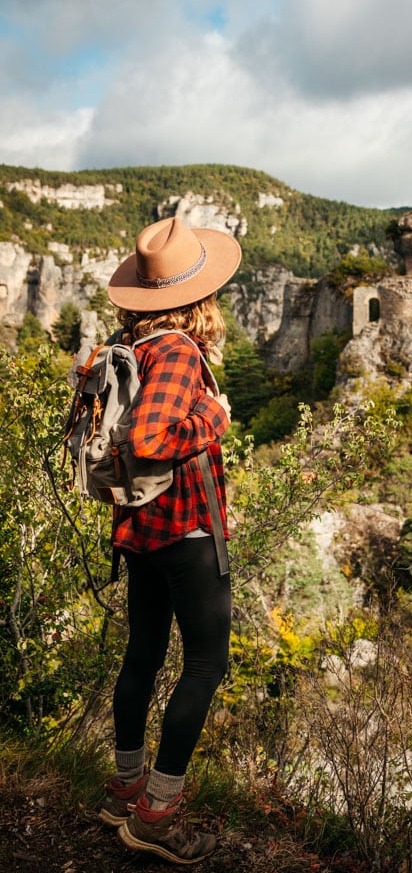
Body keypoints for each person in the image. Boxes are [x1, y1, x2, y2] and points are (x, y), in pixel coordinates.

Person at [97, 216, 241, 865]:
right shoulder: (179, 351)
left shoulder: (131, 346)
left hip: (139, 529)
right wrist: (212, 418)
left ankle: (123, 789)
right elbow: (152, 441)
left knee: (143, 656)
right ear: (199, 295)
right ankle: (158, 811)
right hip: (186, 530)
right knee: (206, 663)